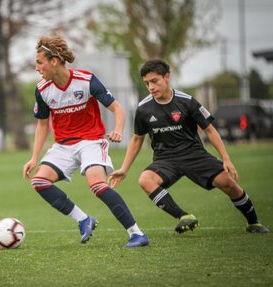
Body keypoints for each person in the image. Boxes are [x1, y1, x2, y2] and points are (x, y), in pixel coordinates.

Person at [108, 59, 269, 234]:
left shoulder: (187, 101)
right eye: (147, 83)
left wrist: (226, 158)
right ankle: (184, 217)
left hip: (194, 154)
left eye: (155, 81)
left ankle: (254, 223)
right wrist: (124, 168)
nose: (151, 87)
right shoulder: (143, 108)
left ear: (167, 77)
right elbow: (137, 139)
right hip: (165, 159)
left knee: (229, 184)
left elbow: (210, 130)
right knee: (145, 180)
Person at [22, 35, 149, 248]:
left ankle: (136, 234)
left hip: (91, 141)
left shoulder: (86, 80)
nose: (37, 68)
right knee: (39, 181)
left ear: (54, 61)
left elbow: (118, 108)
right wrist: (34, 158)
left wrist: (118, 130)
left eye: (39, 62)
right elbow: (42, 125)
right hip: (63, 145)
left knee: (97, 185)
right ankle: (83, 219)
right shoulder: (42, 89)